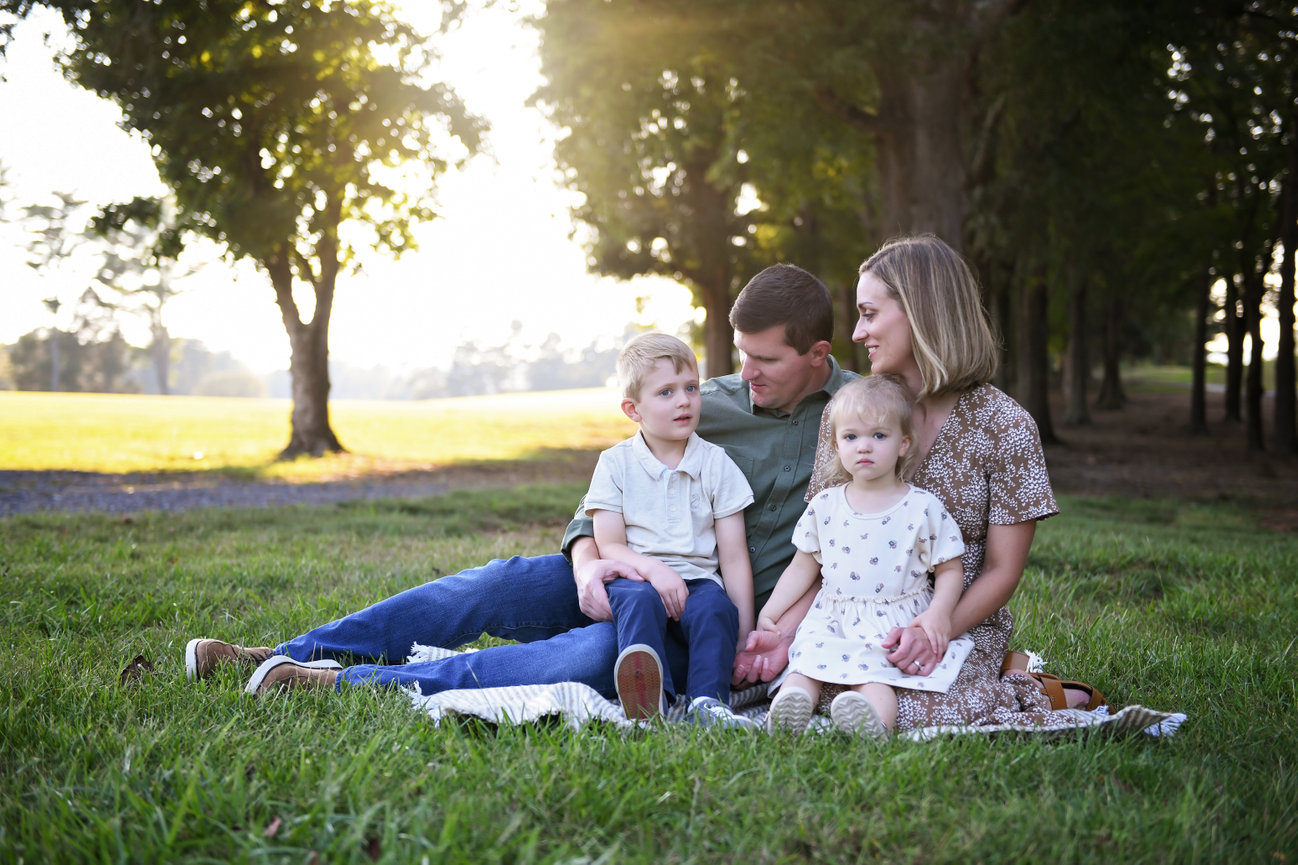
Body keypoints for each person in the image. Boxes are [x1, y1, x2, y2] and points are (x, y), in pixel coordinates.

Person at [184, 262, 859, 712]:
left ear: (817, 358)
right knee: (494, 583)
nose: (746, 374)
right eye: (741, 356)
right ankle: (284, 651)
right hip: (625, 570)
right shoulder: (708, 399)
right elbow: (611, 486)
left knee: (576, 659)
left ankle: (332, 683)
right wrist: (591, 561)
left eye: (764, 360)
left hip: (703, 618)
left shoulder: (863, 420)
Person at [736, 234, 1103, 731]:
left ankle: (1022, 685)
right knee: (815, 686)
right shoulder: (851, 416)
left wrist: (935, 628)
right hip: (852, 616)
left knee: (911, 709)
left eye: (869, 313)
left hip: (955, 622)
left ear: (919, 312)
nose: (858, 331)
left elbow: (1002, 569)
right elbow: (829, 548)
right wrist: (785, 630)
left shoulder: (1006, 425)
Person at [758, 375, 971, 738]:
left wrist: (938, 614)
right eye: (851, 437)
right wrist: (771, 613)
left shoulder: (921, 507)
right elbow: (802, 567)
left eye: (879, 436)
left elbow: (951, 569)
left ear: (904, 444)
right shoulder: (826, 505)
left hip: (893, 619)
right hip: (832, 614)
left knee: (876, 676)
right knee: (804, 663)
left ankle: (872, 721)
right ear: (836, 446)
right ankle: (789, 709)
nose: (864, 447)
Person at [588, 333, 754, 725]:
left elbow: (733, 558)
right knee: (638, 601)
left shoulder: (717, 463)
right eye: (666, 392)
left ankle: (708, 703)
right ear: (633, 409)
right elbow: (609, 544)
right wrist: (653, 570)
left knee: (716, 609)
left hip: (698, 581)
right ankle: (648, 701)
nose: (684, 401)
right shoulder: (615, 464)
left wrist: (744, 634)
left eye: (691, 388)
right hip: (637, 576)